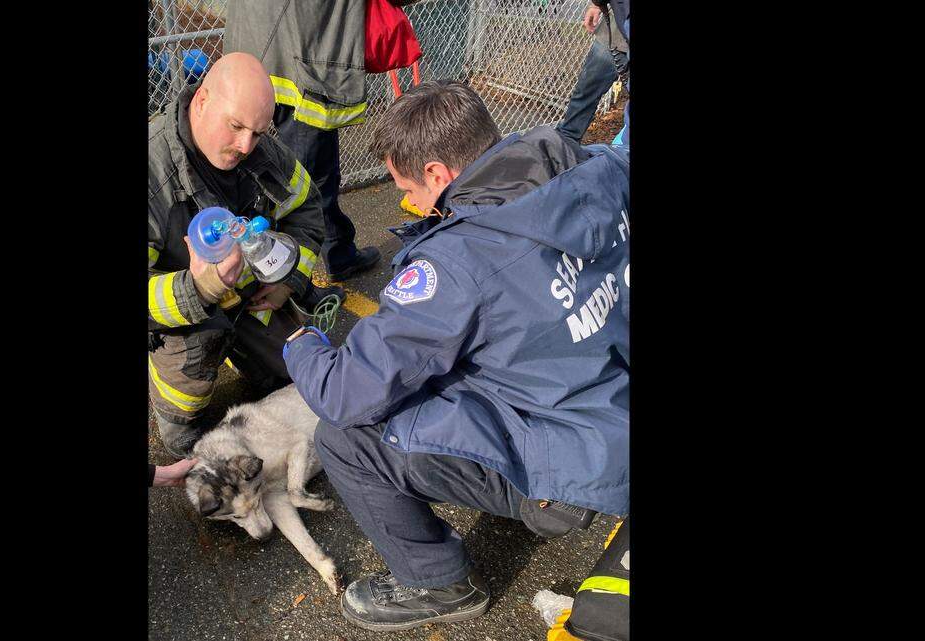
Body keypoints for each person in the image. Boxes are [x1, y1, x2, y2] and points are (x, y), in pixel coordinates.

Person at [282, 81, 630, 632]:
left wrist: (300, 343)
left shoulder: (457, 262)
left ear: (438, 174)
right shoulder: (597, 168)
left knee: (344, 438)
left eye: (409, 191)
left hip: (574, 459)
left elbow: (345, 391)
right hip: (610, 395)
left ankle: (438, 582)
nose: (411, 205)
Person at [148, 52, 334, 458]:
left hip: (251, 294)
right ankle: (176, 408)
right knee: (186, 425)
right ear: (202, 100)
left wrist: (288, 282)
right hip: (184, 316)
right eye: (235, 126)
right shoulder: (153, 172)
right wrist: (199, 288)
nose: (245, 146)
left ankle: (246, 348)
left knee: (300, 373)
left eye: (258, 132)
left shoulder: (261, 150)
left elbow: (307, 209)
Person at [224, 0, 383, 282]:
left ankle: (335, 252)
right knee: (306, 185)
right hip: (303, 59)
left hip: (251, 54)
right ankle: (287, 279)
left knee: (277, 175)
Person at [557, 1, 629, 143]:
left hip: (617, 34)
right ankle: (564, 144)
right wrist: (596, 5)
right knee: (585, 93)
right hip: (614, 35)